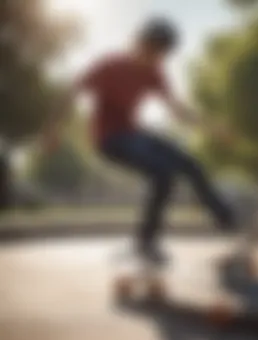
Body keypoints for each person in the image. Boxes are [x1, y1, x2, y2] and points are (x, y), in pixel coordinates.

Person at [43, 17, 238, 266]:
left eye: (160, 54)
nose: (154, 59)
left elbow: (177, 109)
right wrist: (51, 130)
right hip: (109, 140)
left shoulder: (154, 73)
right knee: (163, 174)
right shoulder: (109, 66)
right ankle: (146, 242)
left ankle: (227, 220)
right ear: (138, 42)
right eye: (151, 50)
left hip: (134, 135)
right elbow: (70, 92)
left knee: (191, 163)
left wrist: (213, 128)